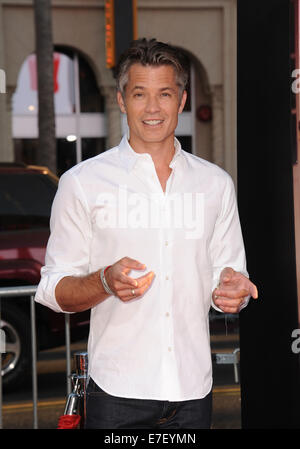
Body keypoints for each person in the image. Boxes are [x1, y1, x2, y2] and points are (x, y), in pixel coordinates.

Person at [35, 38, 258, 429]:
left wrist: (232, 292)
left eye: (165, 94)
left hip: (194, 391)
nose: (153, 108)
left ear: (182, 100)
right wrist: (104, 281)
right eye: (140, 94)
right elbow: (54, 290)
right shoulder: (83, 183)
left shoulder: (216, 185)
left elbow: (227, 280)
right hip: (117, 393)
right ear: (122, 100)